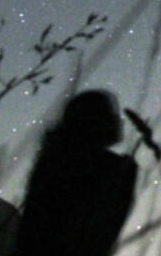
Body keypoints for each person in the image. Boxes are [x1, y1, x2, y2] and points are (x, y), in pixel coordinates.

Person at [14, 89, 136, 256]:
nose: (119, 120)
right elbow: (99, 236)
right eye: (111, 114)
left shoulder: (54, 160)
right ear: (96, 121)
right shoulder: (105, 167)